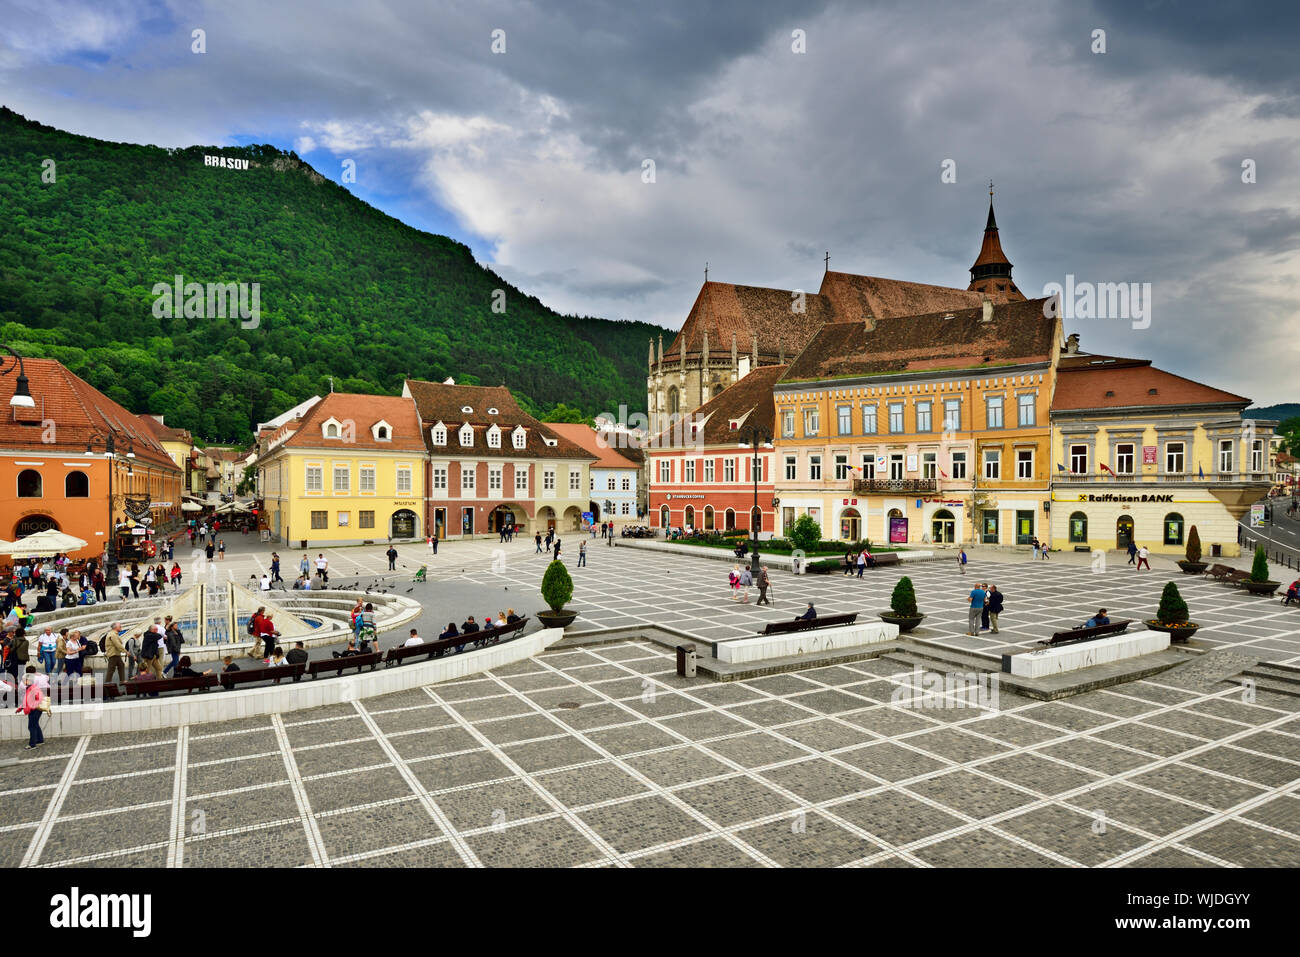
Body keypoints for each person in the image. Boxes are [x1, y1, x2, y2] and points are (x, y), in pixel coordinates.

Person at [18, 667, 45, 749]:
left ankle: (32, 744)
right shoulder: (30, 688)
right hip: (33, 709)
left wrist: (33, 706)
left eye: (24, 680)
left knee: (32, 726)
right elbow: (27, 700)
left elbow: (39, 698)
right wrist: (20, 708)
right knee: (35, 724)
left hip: (34, 710)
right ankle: (40, 740)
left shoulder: (32, 688)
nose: (23, 682)